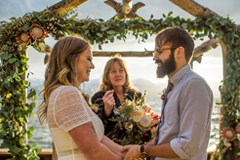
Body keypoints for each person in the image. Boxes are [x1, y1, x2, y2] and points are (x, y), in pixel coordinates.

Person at [122, 27, 213, 160]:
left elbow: (186, 147)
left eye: (159, 51)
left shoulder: (194, 85)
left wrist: (143, 150)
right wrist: (139, 150)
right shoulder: (176, 85)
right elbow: (166, 136)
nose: (155, 57)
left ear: (179, 52)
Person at [37, 36, 124, 160]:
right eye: (89, 59)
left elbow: (99, 140)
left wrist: (130, 153)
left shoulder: (69, 93)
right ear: (70, 59)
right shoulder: (66, 93)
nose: (92, 66)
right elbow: (93, 151)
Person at [91, 56, 142, 144]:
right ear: (107, 76)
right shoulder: (99, 97)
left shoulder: (136, 95)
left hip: (135, 144)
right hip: (111, 146)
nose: (118, 74)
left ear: (125, 74)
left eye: (121, 70)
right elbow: (98, 130)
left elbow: (141, 121)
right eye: (113, 71)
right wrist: (106, 111)